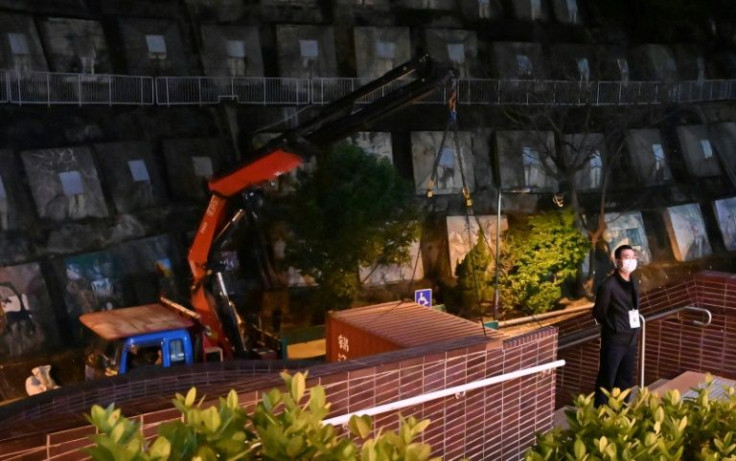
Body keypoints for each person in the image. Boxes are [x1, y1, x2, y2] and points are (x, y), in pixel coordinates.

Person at [592, 244, 641, 407]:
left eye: (633, 257)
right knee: (607, 378)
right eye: (627, 257)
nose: (631, 260)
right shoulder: (608, 286)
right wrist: (614, 325)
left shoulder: (633, 280)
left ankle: (621, 410)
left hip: (631, 338)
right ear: (617, 260)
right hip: (614, 339)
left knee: (625, 378)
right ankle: (600, 413)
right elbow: (599, 313)